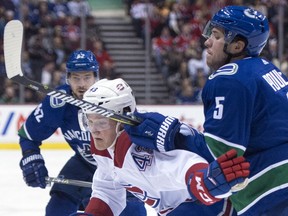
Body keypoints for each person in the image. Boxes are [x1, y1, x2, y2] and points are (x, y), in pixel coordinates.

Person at [124, 5, 288, 216]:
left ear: (237, 46)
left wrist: (172, 135)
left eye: (216, 36)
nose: (207, 41)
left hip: (272, 190)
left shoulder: (230, 78)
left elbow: (221, 155)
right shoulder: (267, 68)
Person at [76, 78, 249, 216]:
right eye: (89, 122)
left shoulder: (136, 147)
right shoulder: (104, 148)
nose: (94, 130)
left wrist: (203, 179)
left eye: (101, 122)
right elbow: (108, 188)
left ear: (122, 119)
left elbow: (181, 165)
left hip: (207, 206)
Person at [18, 50, 146, 216]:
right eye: (76, 78)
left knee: (132, 211)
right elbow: (28, 136)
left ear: (96, 77)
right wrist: (31, 159)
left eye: (87, 77)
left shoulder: (113, 97)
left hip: (118, 167)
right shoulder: (58, 102)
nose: (81, 84)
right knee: (56, 210)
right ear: (68, 78)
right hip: (84, 163)